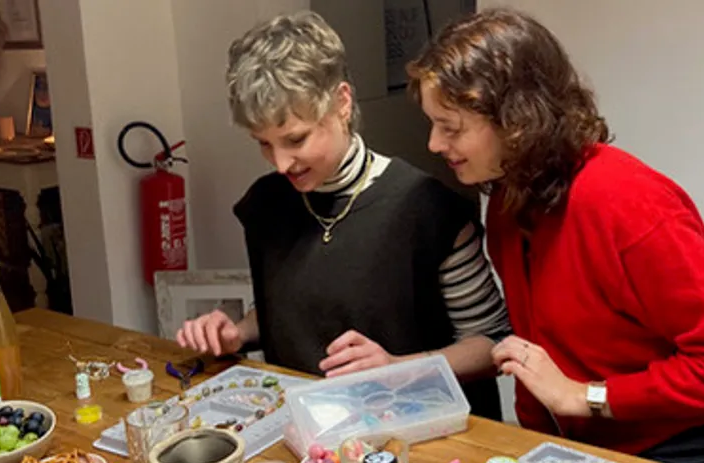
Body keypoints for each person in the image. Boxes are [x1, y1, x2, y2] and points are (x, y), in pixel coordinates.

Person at [407, 7, 704, 463]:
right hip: (604, 458)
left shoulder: (624, 201)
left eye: (450, 126)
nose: (433, 143)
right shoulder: (510, 204)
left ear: (515, 120)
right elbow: (539, 361)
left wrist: (588, 397)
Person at [176, 11, 510, 420]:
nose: (281, 164)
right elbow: (292, 308)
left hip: (421, 433)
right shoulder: (266, 204)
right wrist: (237, 333)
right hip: (311, 436)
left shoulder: (427, 209)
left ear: (342, 102)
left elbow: (492, 343)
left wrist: (399, 368)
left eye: (295, 139)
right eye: (263, 143)